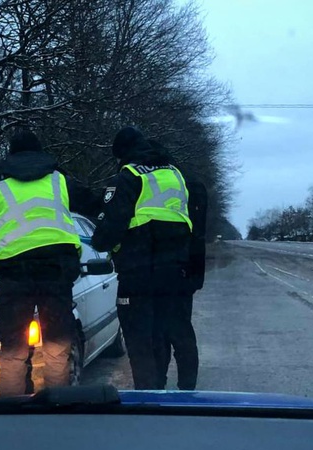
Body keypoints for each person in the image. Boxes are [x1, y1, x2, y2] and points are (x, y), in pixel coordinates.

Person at [0, 130, 100, 397]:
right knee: (57, 348)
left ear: (11, 154)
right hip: (56, 270)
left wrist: (4, 245)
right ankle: (58, 406)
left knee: (13, 351)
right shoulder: (59, 180)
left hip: (14, 274)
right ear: (40, 152)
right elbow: (93, 203)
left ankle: (13, 410)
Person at [91, 127, 195, 390]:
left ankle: (148, 398)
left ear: (122, 153)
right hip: (175, 270)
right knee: (167, 332)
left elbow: (111, 228)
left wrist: (99, 241)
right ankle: (182, 394)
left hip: (138, 271)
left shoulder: (129, 176)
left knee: (140, 339)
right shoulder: (175, 174)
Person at [148, 140, 207, 391]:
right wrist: (196, 273)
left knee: (162, 332)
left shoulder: (148, 183)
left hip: (156, 269)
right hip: (184, 269)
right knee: (181, 330)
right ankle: (186, 389)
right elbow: (199, 233)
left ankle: (159, 386)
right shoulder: (191, 183)